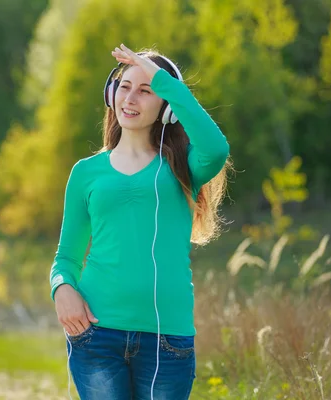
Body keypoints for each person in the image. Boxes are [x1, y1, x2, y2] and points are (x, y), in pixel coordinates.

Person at [49, 43, 231, 400]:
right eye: (125, 86)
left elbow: (217, 147)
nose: (130, 98)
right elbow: (66, 259)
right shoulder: (85, 173)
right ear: (110, 94)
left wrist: (162, 79)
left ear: (166, 108)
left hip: (168, 338)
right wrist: (62, 289)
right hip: (96, 335)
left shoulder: (182, 168)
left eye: (145, 90)